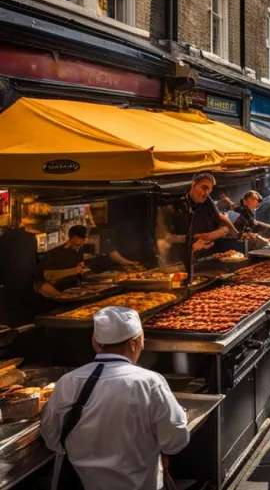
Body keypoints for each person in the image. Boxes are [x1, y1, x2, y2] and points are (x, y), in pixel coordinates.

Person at [41, 307, 189, 490]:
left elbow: (52, 438)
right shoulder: (149, 382)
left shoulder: (68, 382)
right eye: (142, 340)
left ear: (96, 343)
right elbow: (175, 442)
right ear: (134, 343)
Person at [159, 172, 236, 272]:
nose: (206, 193)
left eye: (209, 189)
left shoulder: (208, 203)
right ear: (193, 184)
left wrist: (211, 235)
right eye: (203, 188)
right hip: (179, 264)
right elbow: (164, 237)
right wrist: (195, 238)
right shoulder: (174, 206)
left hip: (206, 261)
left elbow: (224, 225)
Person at [35, 225, 90, 299]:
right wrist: (74, 270)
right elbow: (47, 275)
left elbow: (78, 268)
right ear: (75, 238)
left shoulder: (79, 250)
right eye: (84, 238)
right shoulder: (55, 253)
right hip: (47, 290)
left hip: (68, 290)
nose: (86, 240)